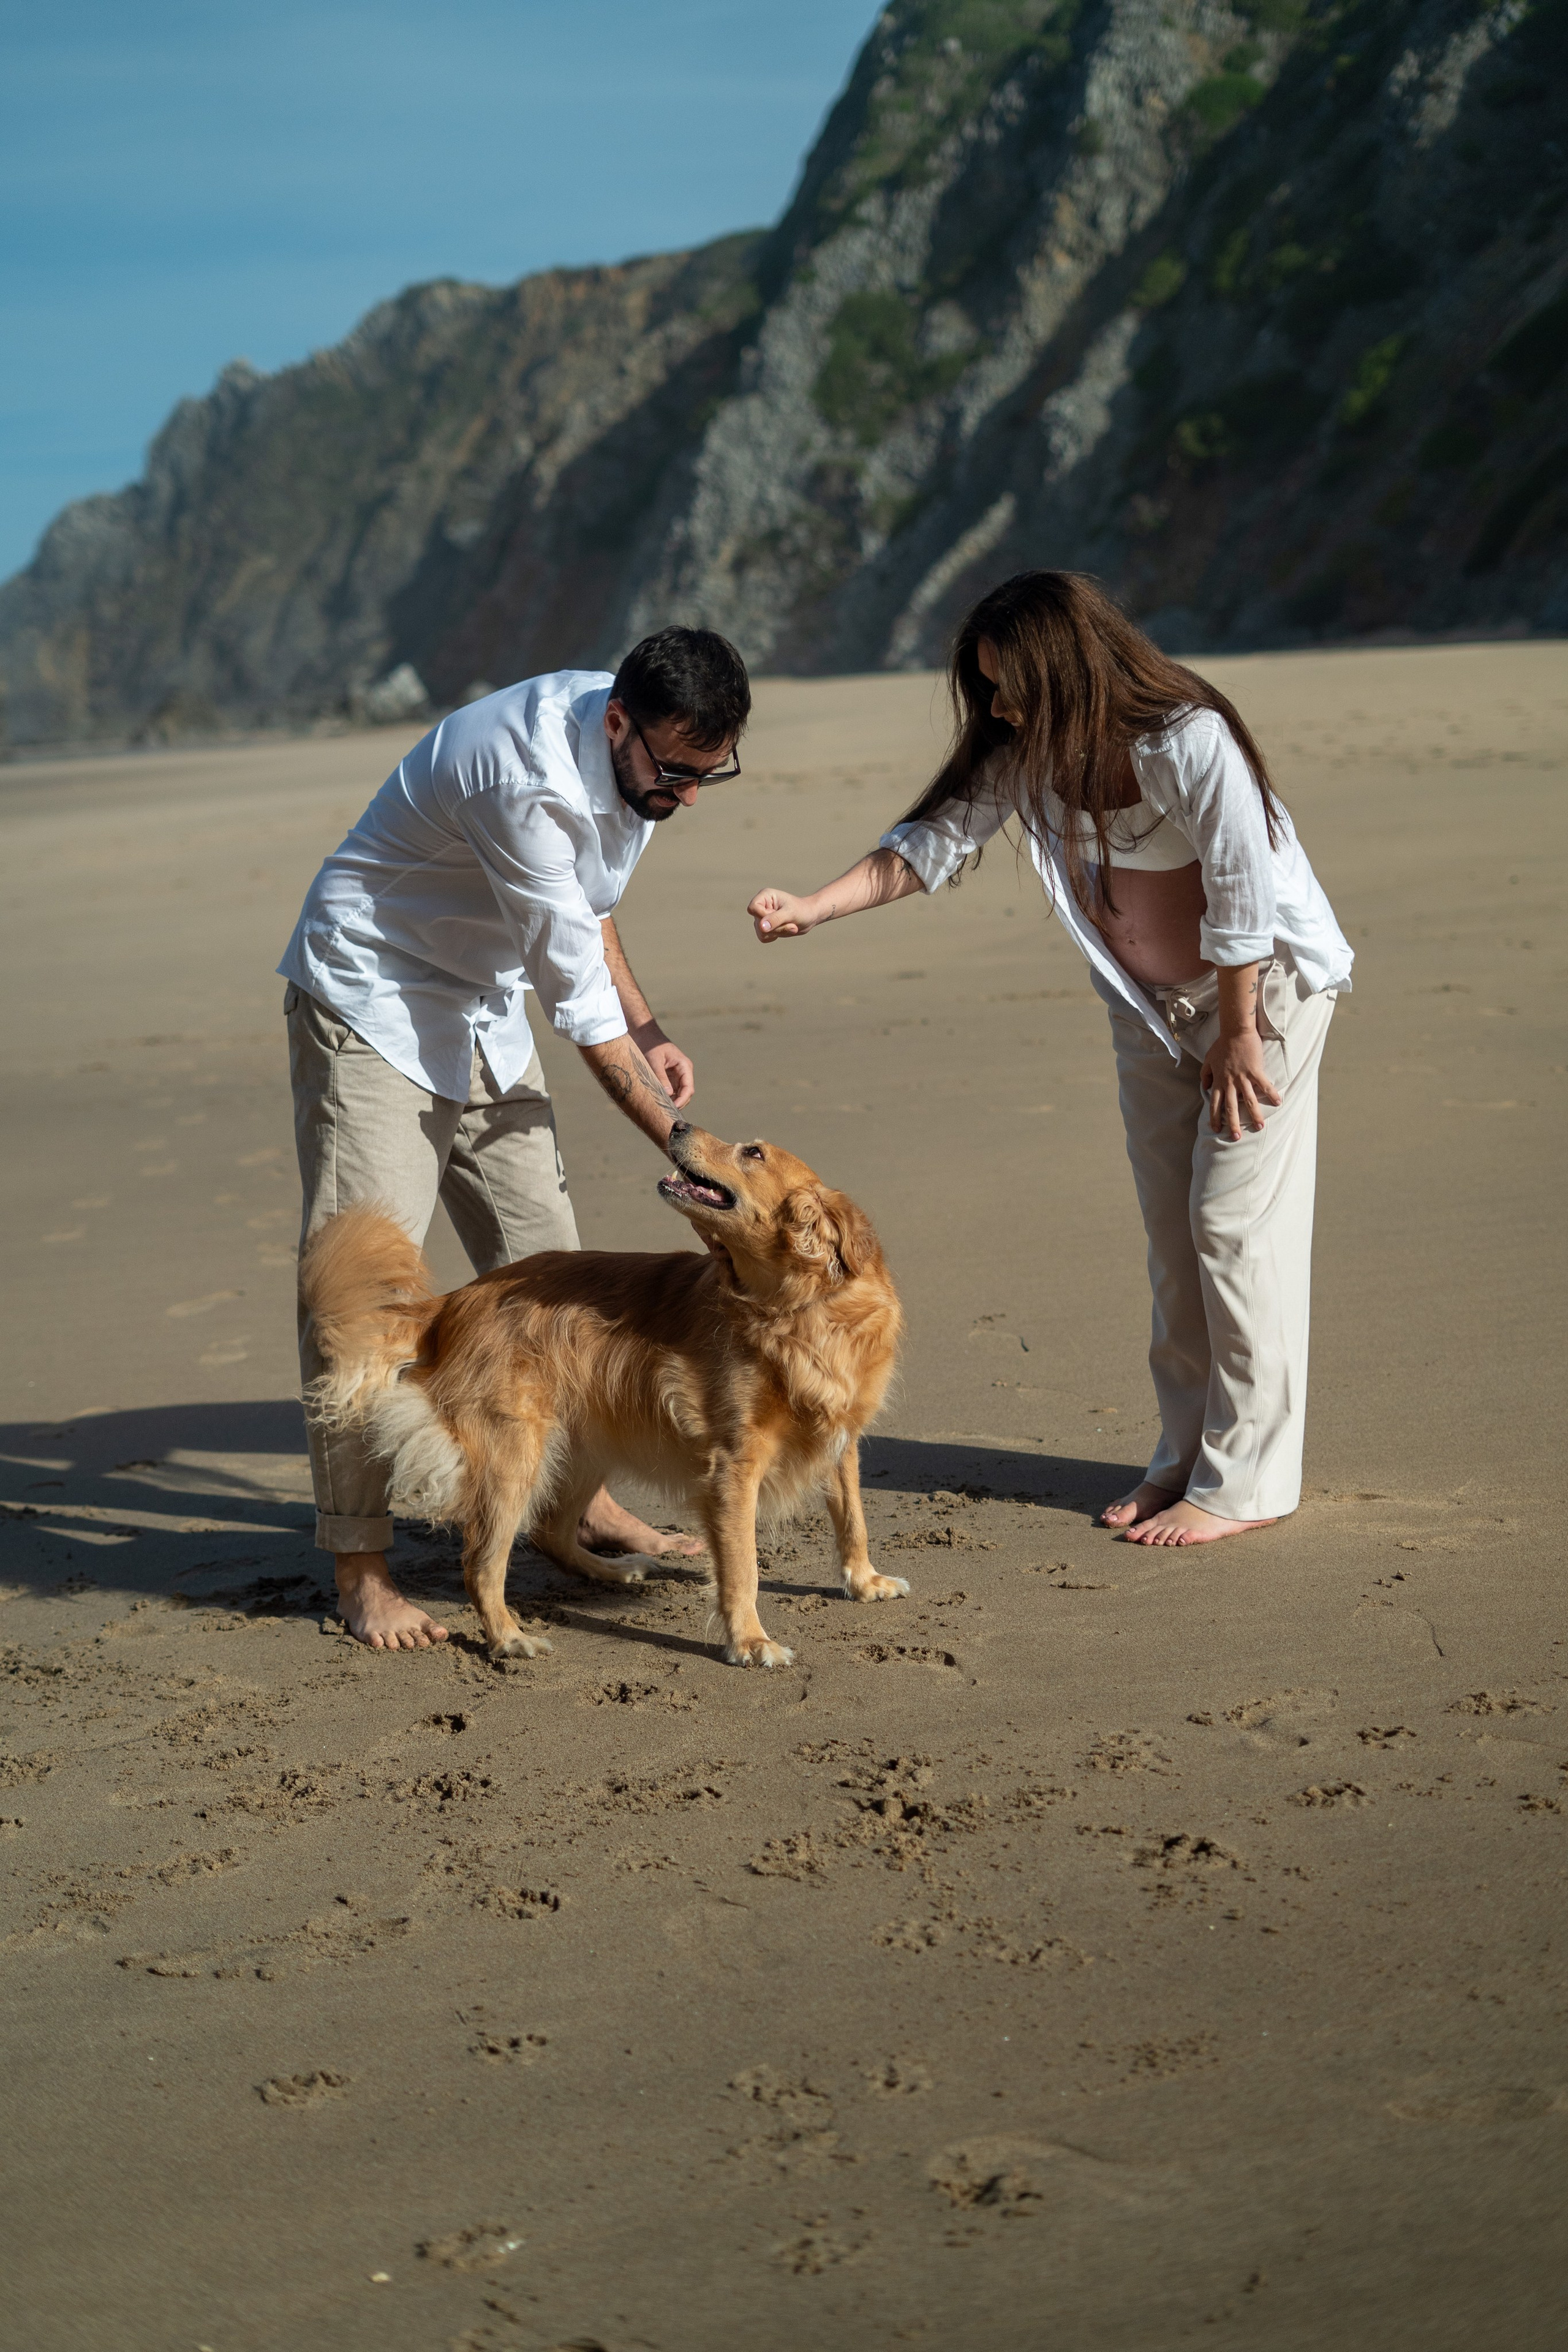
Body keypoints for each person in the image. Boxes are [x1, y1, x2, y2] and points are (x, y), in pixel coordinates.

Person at [746, 570, 1353, 1548]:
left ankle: (1248, 1483)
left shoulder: (1188, 739)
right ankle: (1185, 1458)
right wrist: (816, 906)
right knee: (1172, 1235)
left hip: (1260, 1000)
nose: (994, 706)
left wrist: (1240, 1034)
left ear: (1064, 670)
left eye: (1006, 683)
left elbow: (1244, 892)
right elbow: (932, 842)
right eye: (984, 686)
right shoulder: (1030, 755)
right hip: (1148, 1013)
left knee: (1233, 1224)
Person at [280, 626, 749, 1646]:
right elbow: (580, 1011)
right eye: (677, 773)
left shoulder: (645, 753)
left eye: (713, 773)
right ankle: (360, 1567)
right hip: (376, 991)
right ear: (618, 723)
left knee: (564, 1282)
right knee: (363, 1287)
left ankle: (571, 1505)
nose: (691, 795)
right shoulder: (523, 778)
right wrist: (693, 1152)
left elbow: (595, 912)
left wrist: (653, 1026)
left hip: (484, 995)